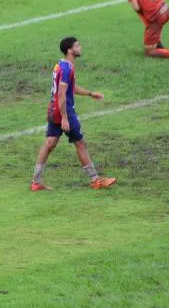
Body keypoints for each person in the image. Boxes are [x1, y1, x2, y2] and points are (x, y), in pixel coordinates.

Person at [31, 37, 117, 192]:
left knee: (50, 143)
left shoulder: (61, 65)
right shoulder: (67, 69)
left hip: (54, 108)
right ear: (70, 50)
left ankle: (36, 182)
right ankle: (95, 180)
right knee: (80, 143)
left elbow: (70, 88)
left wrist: (90, 93)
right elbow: (62, 94)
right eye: (77, 46)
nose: (80, 47)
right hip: (65, 110)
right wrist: (65, 118)